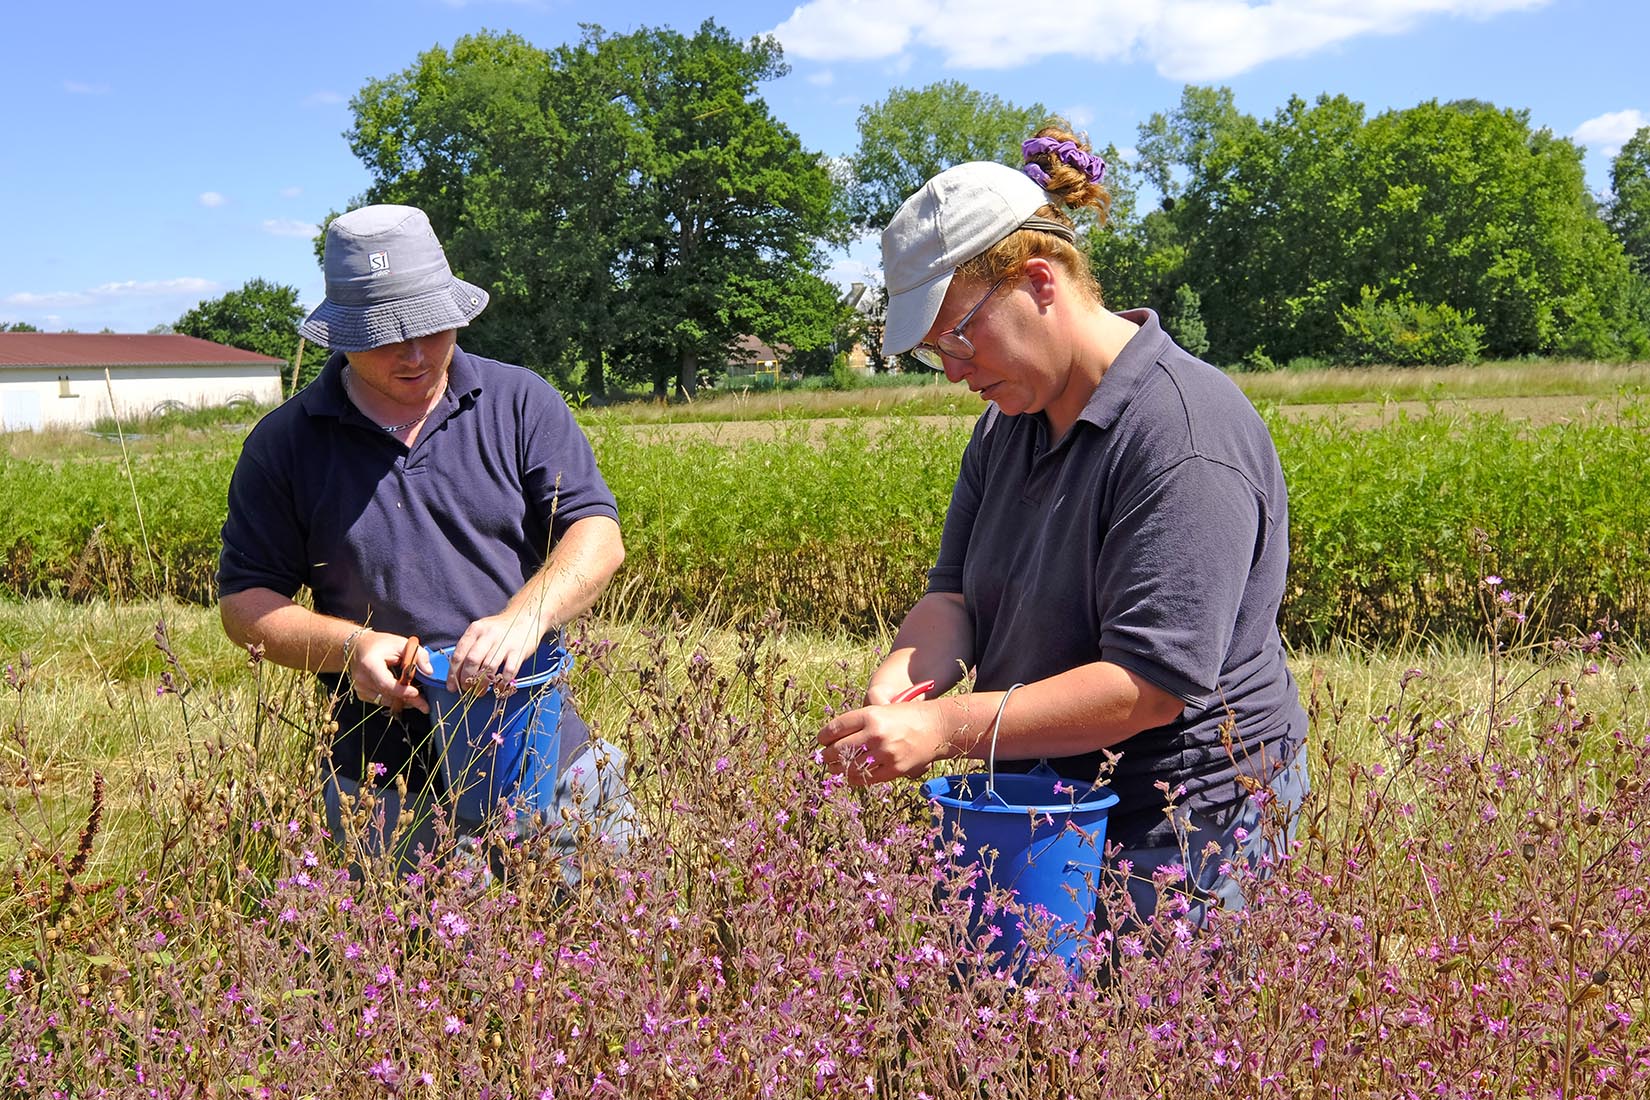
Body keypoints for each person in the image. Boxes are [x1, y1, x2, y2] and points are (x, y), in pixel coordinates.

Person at [818, 126, 1309, 927]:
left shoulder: (1182, 434)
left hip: (1185, 807)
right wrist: (904, 678)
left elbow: (1145, 687)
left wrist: (941, 728)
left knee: (1155, 1037)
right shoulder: (1011, 418)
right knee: (1019, 1025)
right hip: (1045, 782)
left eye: (956, 335)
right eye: (933, 352)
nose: (952, 369)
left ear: (1039, 283)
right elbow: (955, 599)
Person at [218, 203, 630, 873]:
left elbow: (597, 533)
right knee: (410, 969)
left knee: (617, 948)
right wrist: (352, 647)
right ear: (340, 334)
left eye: (432, 330)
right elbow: (245, 607)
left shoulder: (518, 401)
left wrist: (524, 617)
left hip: (544, 756)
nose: (414, 356)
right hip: (383, 785)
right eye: (385, 337)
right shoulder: (284, 445)